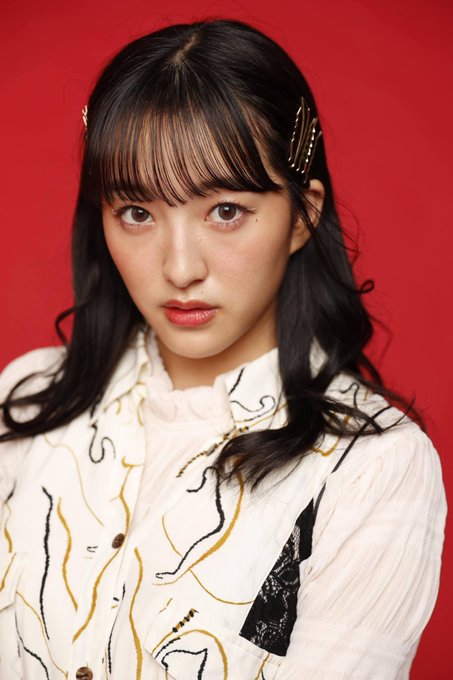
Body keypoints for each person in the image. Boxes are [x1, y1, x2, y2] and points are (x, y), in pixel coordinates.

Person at [0, 17, 446, 680]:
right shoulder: (26, 403)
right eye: (137, 213)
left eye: (225, 211)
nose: (180, 268)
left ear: (302, 215)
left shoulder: (369, 467)